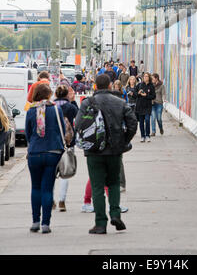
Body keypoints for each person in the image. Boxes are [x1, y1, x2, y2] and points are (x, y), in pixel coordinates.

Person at [75, 74, 137, 234]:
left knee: (97, 186)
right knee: (114, 183)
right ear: (110, 86)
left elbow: (79, 124)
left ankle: (100, 223)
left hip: (94, 151)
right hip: (115, 150)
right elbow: (132, 123)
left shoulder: (87, 103)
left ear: (95, 86)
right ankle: (115, 214)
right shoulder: (120, 102)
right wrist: (124, 140)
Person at [25, 83, 66, 234]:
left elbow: (28, 134)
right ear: (49, 95)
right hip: (53, 152)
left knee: (35, 187)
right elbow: (62, 127)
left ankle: (35, 221)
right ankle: (45, 224)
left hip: (35, 152)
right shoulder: (56, 109)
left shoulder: (31, 111)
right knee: (47, 188)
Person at [54, 84, 78, 212]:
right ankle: (62, 201)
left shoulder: (51, 106)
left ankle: (50, 199)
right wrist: (73, 101)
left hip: (53, 143)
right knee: (65, 172)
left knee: (51, 173)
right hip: (68, 143)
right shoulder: (70, 107)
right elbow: (78, 117)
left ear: (56, 94)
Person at [135, 72, 156, 142]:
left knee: (147, 120)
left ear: (149, 77)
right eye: (144, 76)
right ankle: (142, 136)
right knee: (141, 122)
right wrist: (138, 93)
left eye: (146, 76)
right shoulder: (140, 85)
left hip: (148, 106)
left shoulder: (151, 86)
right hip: (140, 106)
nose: (145, 78)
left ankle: (147, 135)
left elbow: (153, 96)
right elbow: (135, 95)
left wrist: (146, 95)